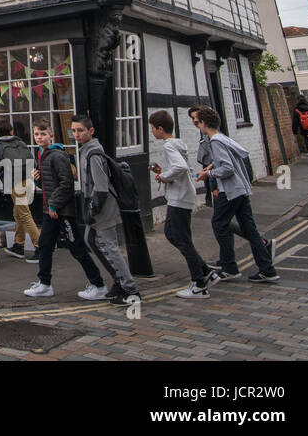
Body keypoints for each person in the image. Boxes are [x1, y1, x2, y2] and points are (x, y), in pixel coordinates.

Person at [23, 119, 108, 300]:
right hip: (50, 211)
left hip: (62, 212)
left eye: (43, 134)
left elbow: (66, 184)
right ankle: (44, 284)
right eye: (37, 134)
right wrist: (38, 180)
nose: (39, 137)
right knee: (45, 246)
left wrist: (54, 204)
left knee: (77, 248)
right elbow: (49, 184)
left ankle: (98, 285)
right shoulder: (42, 155)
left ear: (51, 136)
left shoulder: (57, 156)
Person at [194, 107, 279, 284]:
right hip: (241, 189)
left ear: (203, 123)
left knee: (218, 223)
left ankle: (229, 267)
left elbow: (227, 168)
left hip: (230, 190)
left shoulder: (215, 142)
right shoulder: (223, 138)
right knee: (249, 230)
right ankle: (267, 269)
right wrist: (213, 165)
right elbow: (230, 160)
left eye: (198, 122)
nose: (197, 125)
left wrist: (207, 174)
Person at [72, 115, 139, 304]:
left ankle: (130, 289)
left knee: (109, 246)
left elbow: (100, 187)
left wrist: (92, 210)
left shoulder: (93, 153)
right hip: (94, 204)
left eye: (80, 130)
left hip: (102, 206)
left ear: (90, 131)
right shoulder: (86, 150)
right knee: (90, 240)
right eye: (74, 130)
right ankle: (119, 280)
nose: (76, 134)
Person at [148, 111, 214, 298]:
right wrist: (164, 171)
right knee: (172, 234)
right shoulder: (177, 144)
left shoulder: (169, 146)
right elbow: (182, 169)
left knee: (182, 239)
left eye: (153, 128)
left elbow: (181, 168)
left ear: (160, 129)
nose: (152, 132)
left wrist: (163, 176)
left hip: (180, 197)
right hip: (182, 195)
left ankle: (199, 284)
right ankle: (204, 269)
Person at [0, 119, 39, 261]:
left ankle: (40, 247)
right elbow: (34, 162)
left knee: (24, 214)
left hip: (15, 183)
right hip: (29, 181)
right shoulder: (20, 142)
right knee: (18, 213)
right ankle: (18, 245)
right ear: (11, 131)